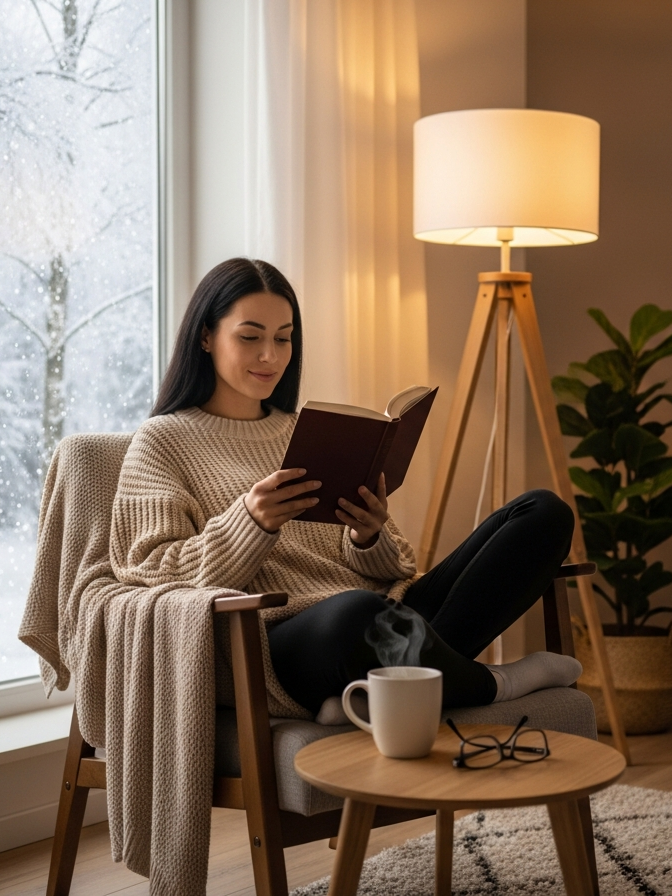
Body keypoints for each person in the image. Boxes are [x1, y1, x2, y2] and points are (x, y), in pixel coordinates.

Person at [110, 257, 581, 723]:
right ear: (206, 336)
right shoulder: (162, 441)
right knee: (355, 614)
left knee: (543, 514)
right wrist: (249, 523)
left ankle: (374, 689)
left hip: (379, 618)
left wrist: (367, 536)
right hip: (282, 641)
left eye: (284, 338)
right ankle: (496, 683)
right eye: (250, 337)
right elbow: (148, 570)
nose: (270, 355)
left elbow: (396, 567)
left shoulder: (306, 431)